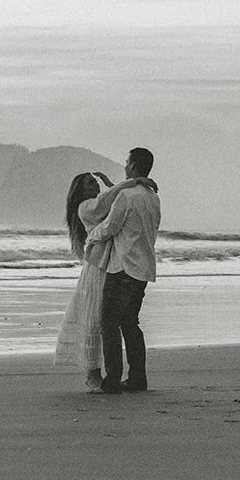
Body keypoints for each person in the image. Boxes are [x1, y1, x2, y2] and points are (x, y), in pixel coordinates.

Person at [53, 169, 156, 389]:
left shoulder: (100, 203)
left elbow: (116, 201)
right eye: (90, 183)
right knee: (95, 318)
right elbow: (108, 202)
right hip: (98, 268)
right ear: (80, 192)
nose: (95, 186)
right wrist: (133, 181)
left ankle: (108, 375)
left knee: (106, 320)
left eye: (95, 183)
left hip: (109, 266)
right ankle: (93, 374)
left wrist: (113, 184)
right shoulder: (86, 207)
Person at [85, 147, 162, 394]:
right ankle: (138, 378)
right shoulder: (152, 197)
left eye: (127, 161)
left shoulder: (127, 197)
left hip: (123, 267)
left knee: (109, 322)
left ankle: (113, 379)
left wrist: (91, 236)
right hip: (144, 266)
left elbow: (110, 227)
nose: (125, 164)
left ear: (134, 165)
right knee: (130, 322)